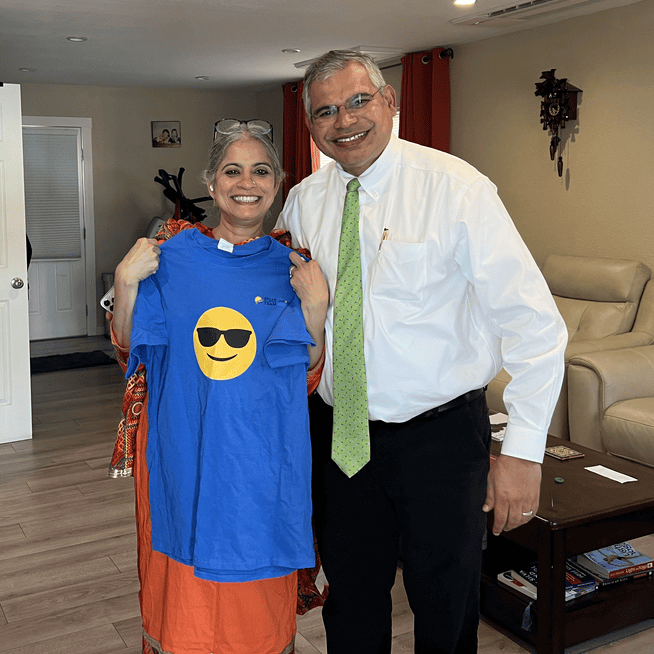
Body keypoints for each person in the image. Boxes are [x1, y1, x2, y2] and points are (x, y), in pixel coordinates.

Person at [276, 50, 567, 654]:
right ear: (311, 127)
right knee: (350, 600)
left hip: (438, 441)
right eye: (325, 111)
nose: (344, 120)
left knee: (446, 602)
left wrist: (523, 455)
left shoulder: (457, 190)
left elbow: (537, 327)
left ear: (391, 103)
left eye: (359, 101)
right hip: (340, 439)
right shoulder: (304, 203)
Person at [109, 119, 329, 654]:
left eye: (260, 171)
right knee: (183, 591)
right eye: (232, 171)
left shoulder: (295, 270)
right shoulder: (170, 259)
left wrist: (316, 311)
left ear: (278, 183)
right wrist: (125, 280)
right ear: (212, 184)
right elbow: (130, 350)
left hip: (262, 459)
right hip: (183, 450)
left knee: (255, 602)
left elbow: (306, 375)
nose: (245, 182)